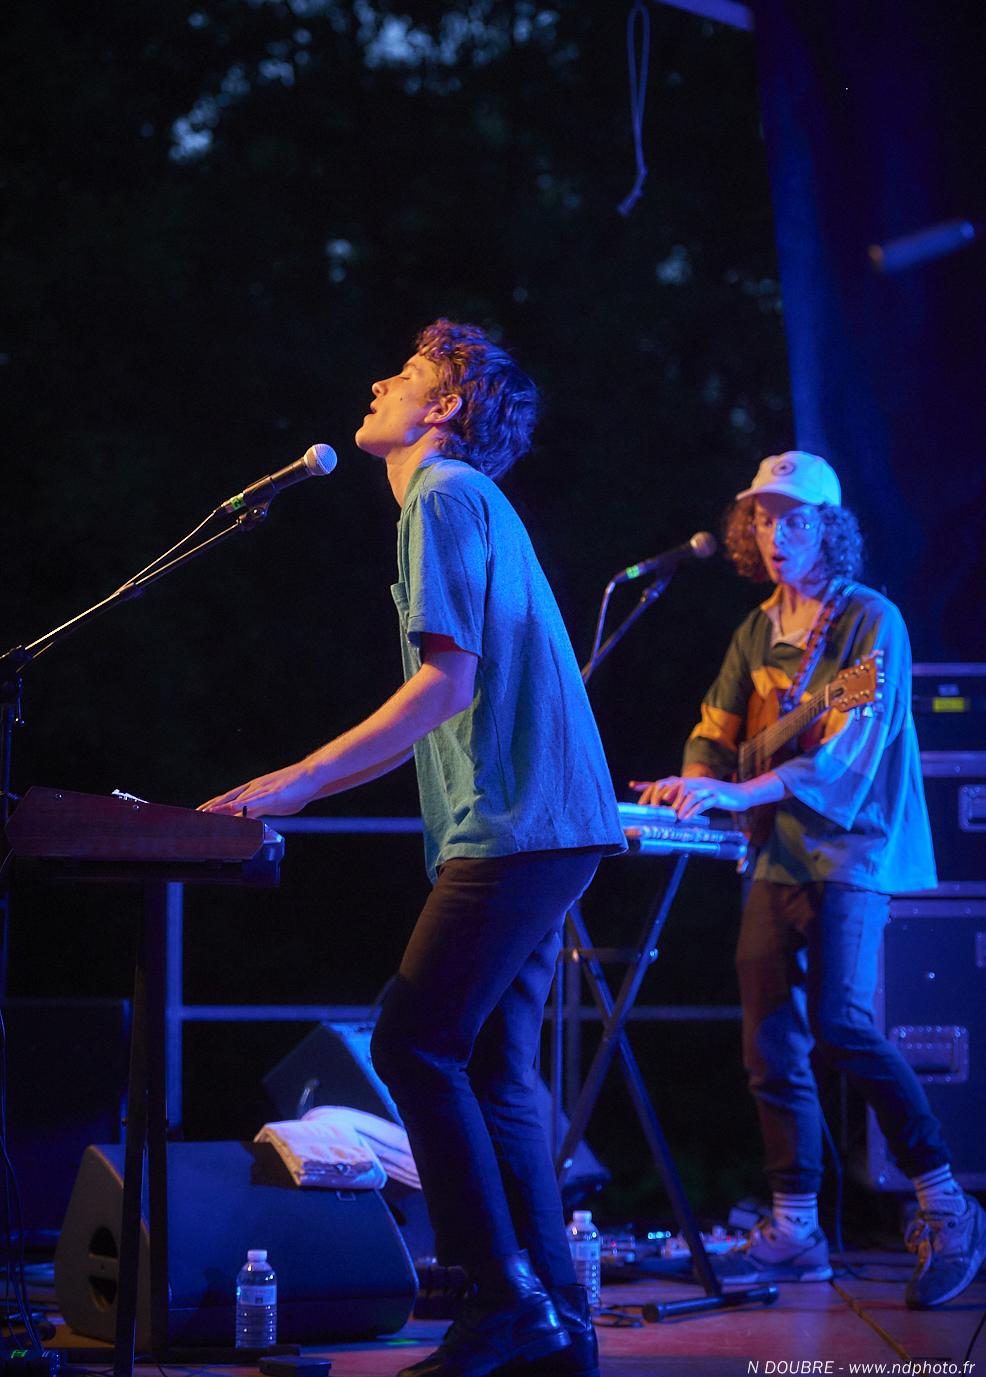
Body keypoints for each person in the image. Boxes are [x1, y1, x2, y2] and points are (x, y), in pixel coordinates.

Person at [202, 319, 626, 1377]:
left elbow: (443, 685)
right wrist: (302, 786)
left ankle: (502, 1299)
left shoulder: (439, 494)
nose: (376, 382)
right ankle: (556, 1326)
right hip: (547, 823)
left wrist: (296, 780)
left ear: (443, 408)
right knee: (495, 1072)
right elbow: (440, 703)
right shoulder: (465, 501)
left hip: (518, 825)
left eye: (403, 374)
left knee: (410, 1045)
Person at [633, 451, 986, 1311]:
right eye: (762, 518)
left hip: (850, 850)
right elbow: (714, 729)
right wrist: (692, 785)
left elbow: (846, 750)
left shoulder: (872, 624)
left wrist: (735, 790)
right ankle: (795, 1232)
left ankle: (948, 1204)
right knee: (770, 1043)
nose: (775, 534)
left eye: (794, 519)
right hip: (774, 856)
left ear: (828, 528)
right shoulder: (756, 629)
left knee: (841, 1026)